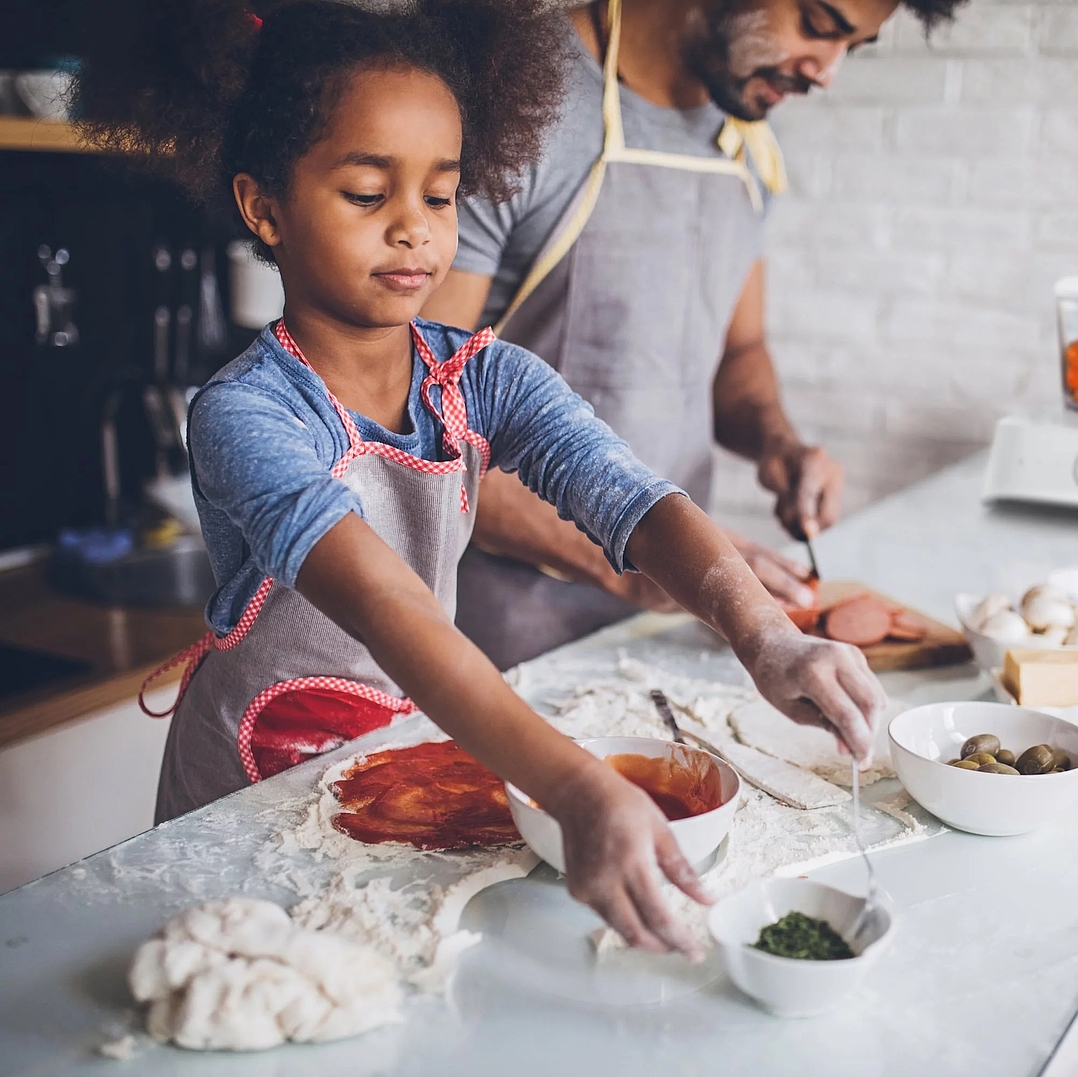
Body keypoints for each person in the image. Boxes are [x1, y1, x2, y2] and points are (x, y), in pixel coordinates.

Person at [77, 0, 885, 958]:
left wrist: (765, 634)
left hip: (390, 761)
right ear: (265, 208)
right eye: (368, 194)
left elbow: (629, 494)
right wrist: (577, 784)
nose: (415, 232)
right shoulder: (247, 416)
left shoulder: (483, 376)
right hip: (245, 789)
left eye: (441, 195)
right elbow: (393, 611)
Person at [422, 0, 965, 671]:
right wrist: (646, 564)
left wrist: (778, 440)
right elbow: (419, 420)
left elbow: (735, 353)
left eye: (856, 46)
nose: (827, 72)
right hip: (499, 629)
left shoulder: (743, 138)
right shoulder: (516, 101)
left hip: (669, 619)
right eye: (820, 26)